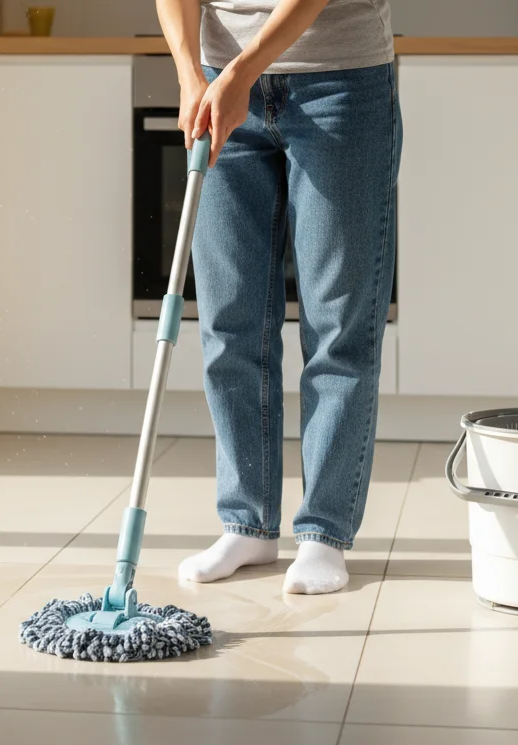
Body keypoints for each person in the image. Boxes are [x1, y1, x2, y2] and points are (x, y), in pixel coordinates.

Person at [156, 0, 401, 595]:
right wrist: (192, 74)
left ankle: (323, 534)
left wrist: (241, 72)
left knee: (338, 325)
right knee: (230, 319)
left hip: (338, 84)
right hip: (219, 80)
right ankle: (248, 523)